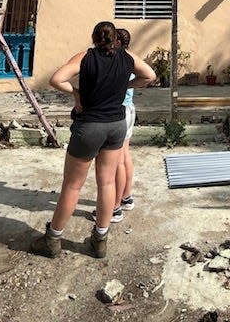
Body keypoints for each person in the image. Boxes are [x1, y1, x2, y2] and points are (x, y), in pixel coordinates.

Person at [30, 21, 156, 259]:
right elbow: (150, 75)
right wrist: (126, 85)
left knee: (72, 185)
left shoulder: (85, 56)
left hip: (90, 126)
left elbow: (56, 79)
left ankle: (53, 239)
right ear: (115, 40)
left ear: (94, 38)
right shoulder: (127, 57)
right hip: (116, 126)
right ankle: (100, 240)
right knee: (107, 183)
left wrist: (76, 92)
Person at [92, 28, 136, 224]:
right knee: (125, 156)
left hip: (120, 111)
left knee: (116, 161)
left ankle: (115, 207)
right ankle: (126, 196)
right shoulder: (131, 59)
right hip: (130, 109)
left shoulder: (118, 59)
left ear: (117, 41)